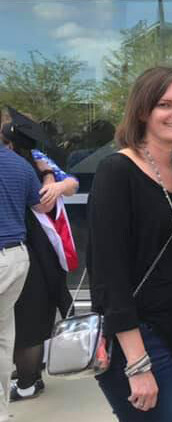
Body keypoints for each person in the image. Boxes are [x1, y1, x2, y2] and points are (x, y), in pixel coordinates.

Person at [87, 66, 172, 421]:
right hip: (137, 336)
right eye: (165, 104)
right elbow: (107, 270)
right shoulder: (116, 172)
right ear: (142, 111)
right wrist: (136, 362)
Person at [1, 108, 79, 402]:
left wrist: (54, 182)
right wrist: (50, 178)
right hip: (36, 251)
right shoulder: (32, 165)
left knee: (23, 319)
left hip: (32, 248)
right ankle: (27, 377)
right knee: (27, 317)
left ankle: (27, 381)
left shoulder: (34, 165)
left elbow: (69, 185)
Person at [0, 110, 54, 422]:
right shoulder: (20, 165)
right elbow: (40, 203)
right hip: (16, 259)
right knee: (5, 337)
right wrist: (47, 175)